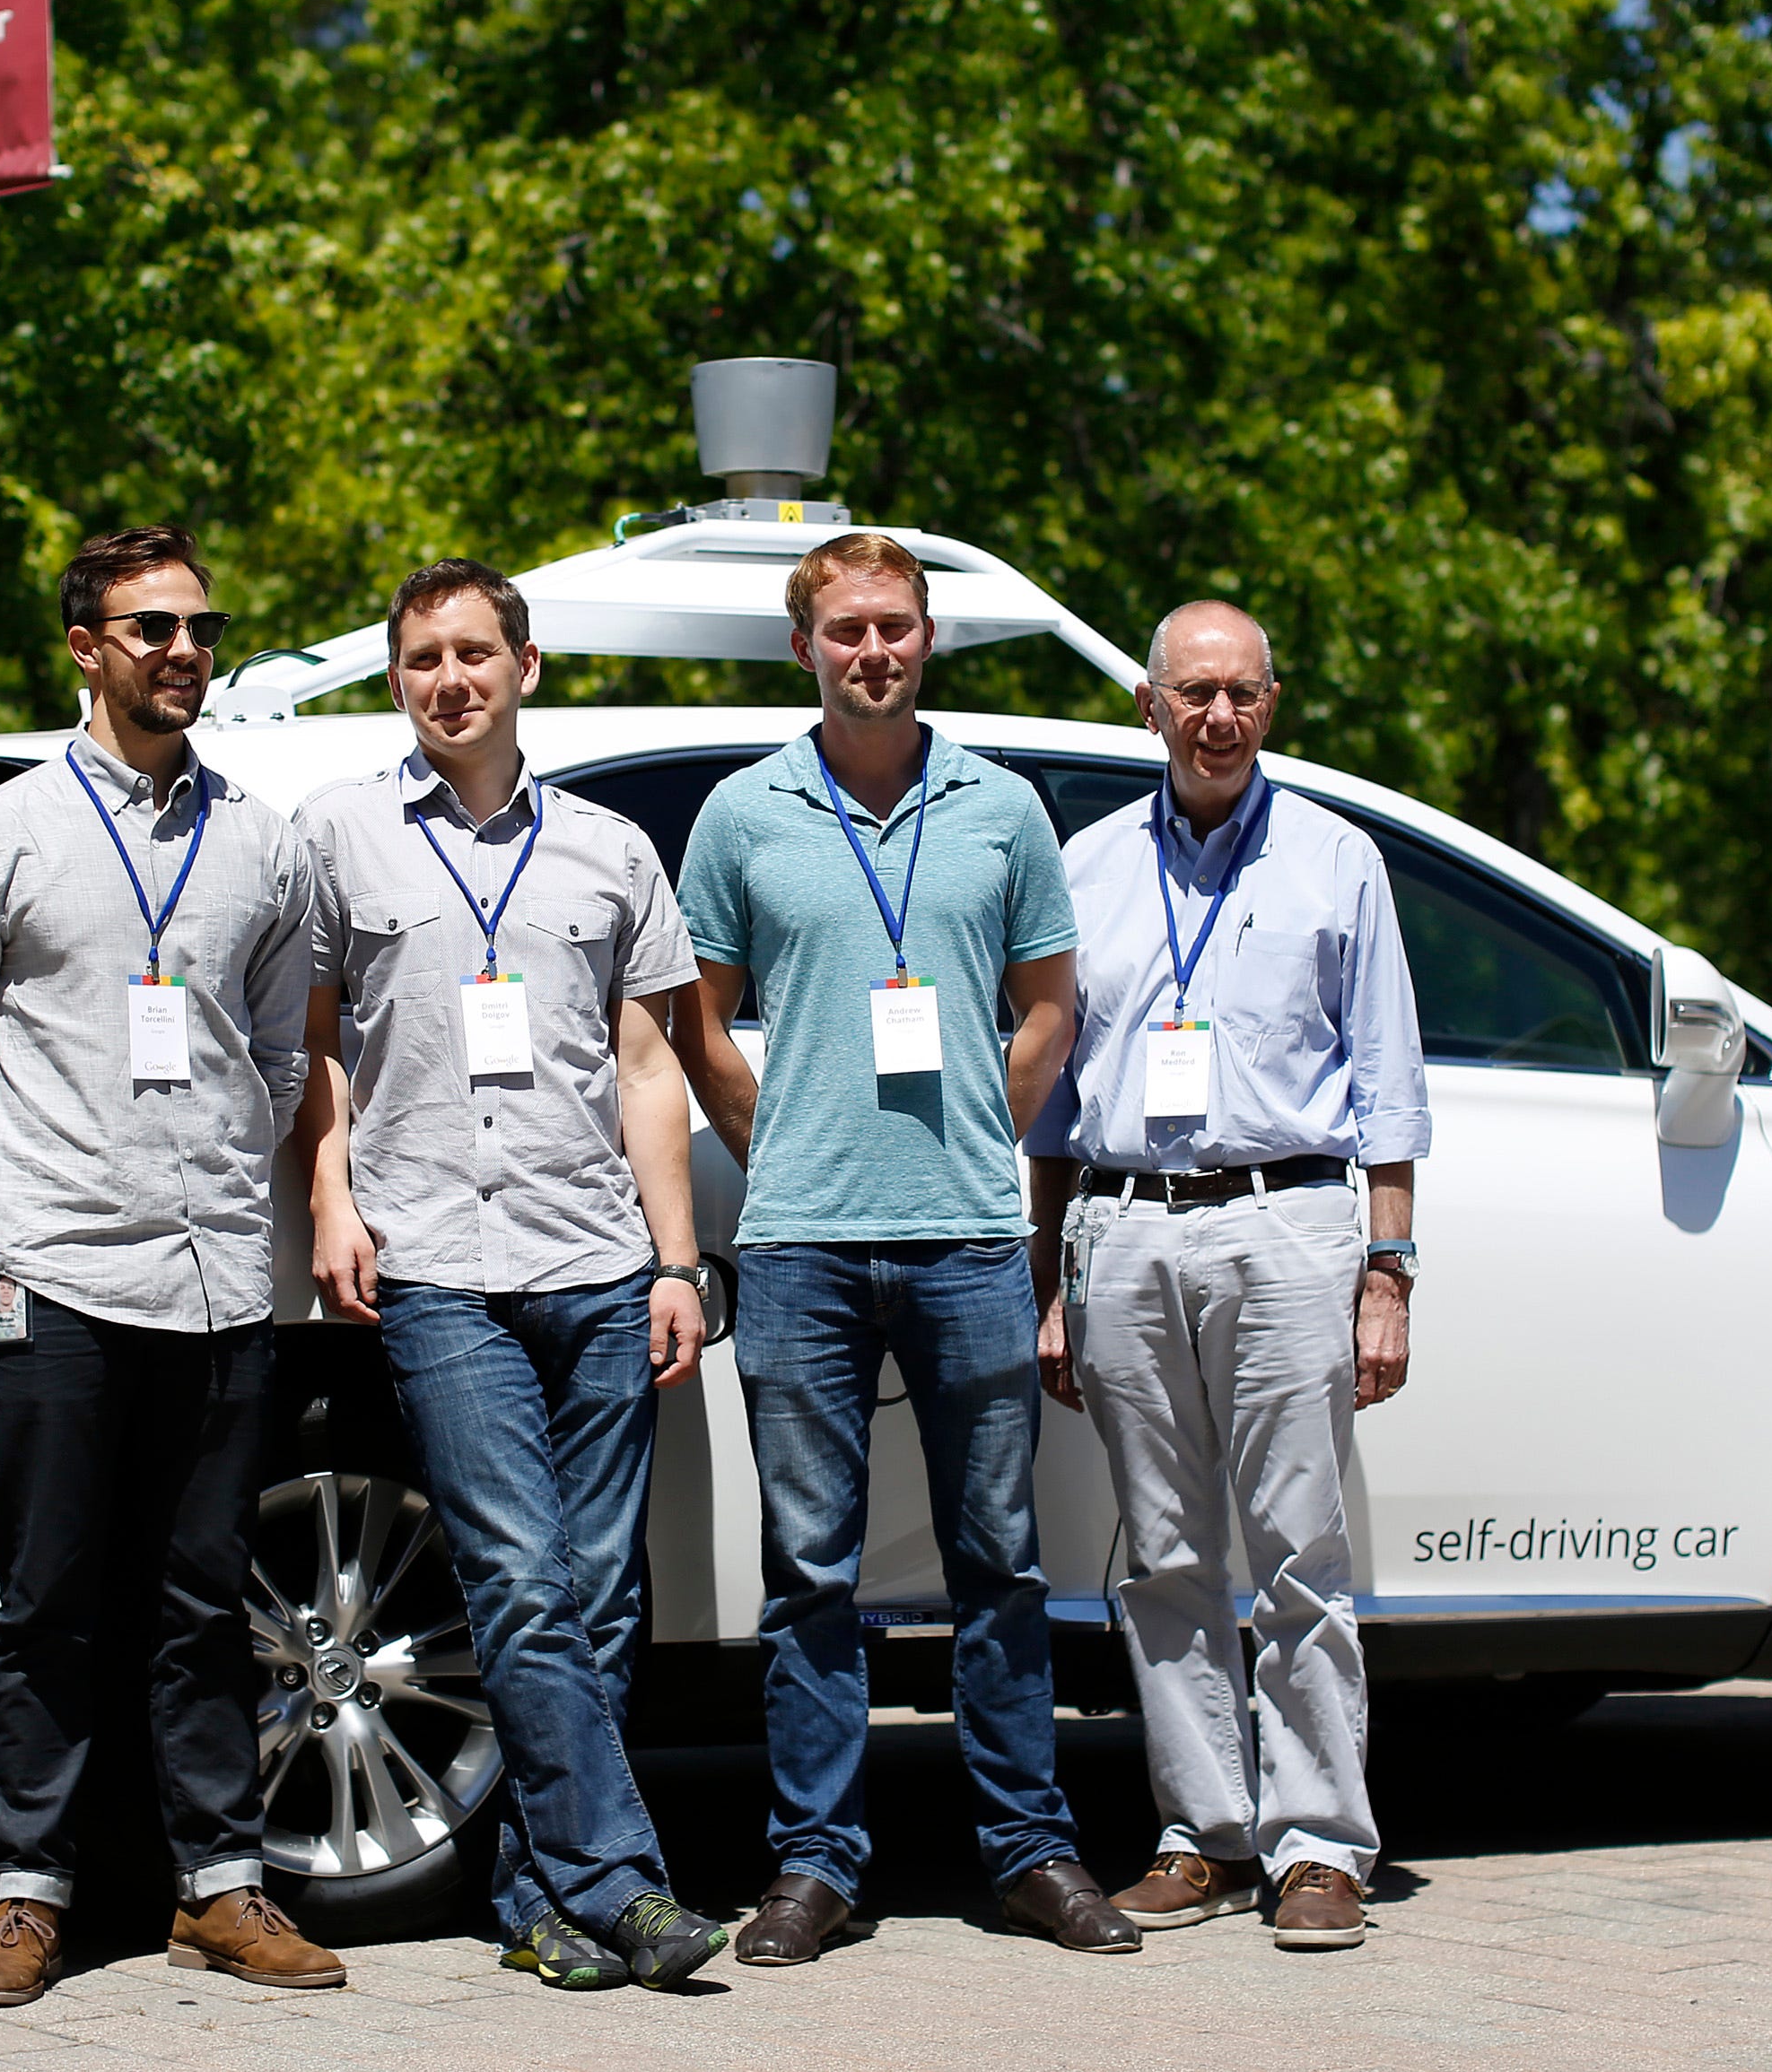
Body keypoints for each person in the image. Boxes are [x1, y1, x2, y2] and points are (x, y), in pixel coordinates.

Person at [671, 531, 1138, 1963]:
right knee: (808, 1568)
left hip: (970, 1241)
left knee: (999, 1559)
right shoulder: (743, 814)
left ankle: (1030, 1850)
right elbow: (697, 1018)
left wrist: (975, 1138)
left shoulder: (1001, 809)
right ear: (804, 646)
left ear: (926, 639)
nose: (871, 650)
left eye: (895, 627)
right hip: (804, 1245)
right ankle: (816, 1863)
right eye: (845, 629)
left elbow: (1051, 1006)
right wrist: (780, 1141)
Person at [0, 525, 340, 2005]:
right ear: (85, 646)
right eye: (150, 628)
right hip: (59, 1272)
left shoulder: (264, 840)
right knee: (50, 1598)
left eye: (201, 628)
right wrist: (9, 1196)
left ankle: (221, 1886)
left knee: (208, 1596)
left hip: (219, 1276)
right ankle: (27, 1895)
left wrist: (211, 1161)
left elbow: (281, 1048)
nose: (183, 652)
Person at [292, 558, 727, 1991]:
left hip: (597, 1260)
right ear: (397, 676)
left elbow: (650, 1066)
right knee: (523, 1584)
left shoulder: (608, 847)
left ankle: (540, 1904)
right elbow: (316, 1052)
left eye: (473, 653)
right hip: (435, 1268)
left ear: (524, 668)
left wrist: (675, 1259)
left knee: (599, 1598)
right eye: (422, 659)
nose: (448, 680)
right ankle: (625, 1879)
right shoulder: (339, 835)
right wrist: (331, 1199)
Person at [1023, 600, 1425, 1951]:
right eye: (1193, 693)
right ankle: (1202, 1830)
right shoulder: (1083, 869)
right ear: (1149, 706)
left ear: (1273, 701)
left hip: (1285, 1220)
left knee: (1300, 1544)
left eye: (1241, 692)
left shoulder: (1336, 859)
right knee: (1166, 1553)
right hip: (1124, 1229)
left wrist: (1390, 1271)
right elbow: (1056, 1110)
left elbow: (1390, 1085)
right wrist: (1052, 1282)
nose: (1217, 717)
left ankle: (1321, 1843)